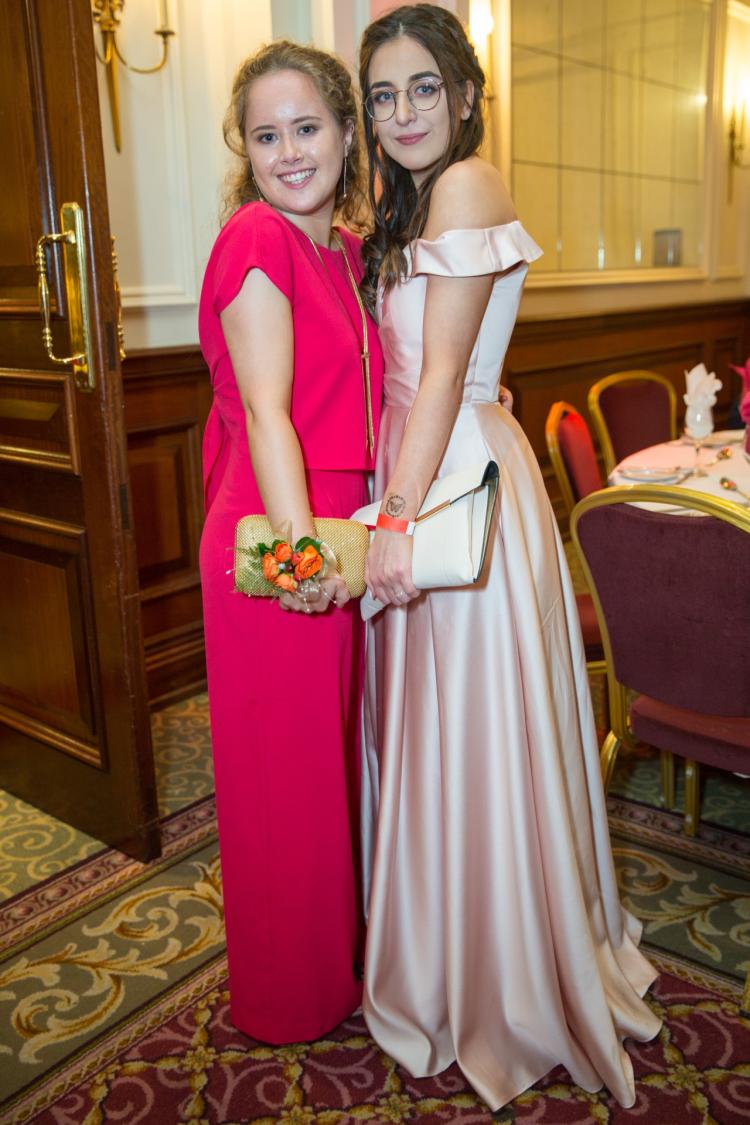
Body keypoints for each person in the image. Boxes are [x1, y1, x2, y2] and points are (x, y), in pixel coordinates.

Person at [357, 4, 661, 1111]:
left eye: (422, 88)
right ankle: (449, 945)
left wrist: (394, 520)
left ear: (465, 95)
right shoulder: (413, 200)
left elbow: (443, 373)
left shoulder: (468, 185)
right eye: (382, 95)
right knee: (439, 725)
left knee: (475, 726)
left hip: (451, 483)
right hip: (430, 459)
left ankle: (499, 970)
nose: (401, 113)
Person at [198, 40, 383, 1044]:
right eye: (266, 135)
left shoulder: (343, 250)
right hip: (274, 533)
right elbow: (269, 414)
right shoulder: (258, 237)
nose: (289, 151)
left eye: (307, 127)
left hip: (331, 528)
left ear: (347, 133)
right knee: (283, 777)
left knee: (320, 771)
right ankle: (286, 997)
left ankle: (326, 969)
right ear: (247, 150)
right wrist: (300, 560)